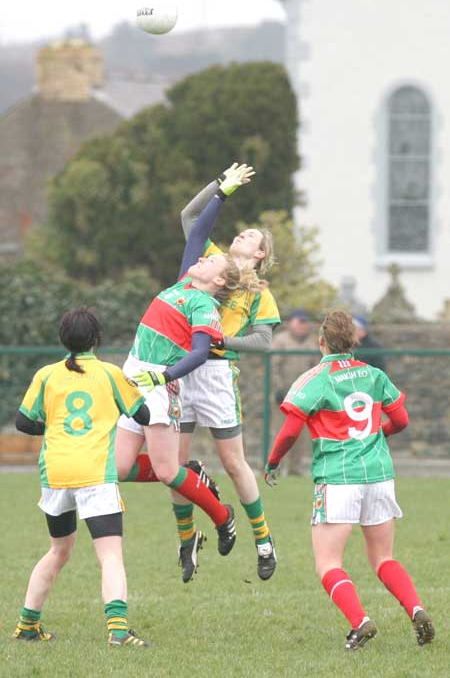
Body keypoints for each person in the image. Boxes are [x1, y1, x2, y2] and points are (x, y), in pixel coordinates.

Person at [264, 309, 434, 650]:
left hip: (338, 477)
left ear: (321, 341)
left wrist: (272, 462)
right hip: (379, 475)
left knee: (328, 563)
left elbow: (289, 431)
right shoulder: (373, 374)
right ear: (354, 340)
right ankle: (416, 609)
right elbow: (401, 420)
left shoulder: (314, 378)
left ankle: (360, 622)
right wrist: (375, 436)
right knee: (384, 558)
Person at [114, 165, 255, 576]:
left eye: (210, 261)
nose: (201, 258)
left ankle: (222, 516)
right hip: (134, 379)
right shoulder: (184, 284)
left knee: (166, 470)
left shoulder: (204, 304)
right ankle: (194, 477)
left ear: (219, 279)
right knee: (121, 469)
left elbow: (198, 353)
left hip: (158, 385)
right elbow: (196, 232)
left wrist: (165, 376)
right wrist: (222, 192)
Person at [13, 308, 150, 647]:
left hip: (55, 473)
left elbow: (23, 423)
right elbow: (143, 414)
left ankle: (27, 625)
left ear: (64, 340)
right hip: (94, 473)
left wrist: (57, 423)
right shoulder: (109, 374)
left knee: (58, 550)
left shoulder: (47, 374)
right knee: (110, 554)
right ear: (96, 339)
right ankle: (118, 630)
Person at [172, 163, 280, 582]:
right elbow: (188, 216)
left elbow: (263, 342)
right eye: (241, 231)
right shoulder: (210, 260)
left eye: (251, 236)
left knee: (234, 463)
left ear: (260, 255)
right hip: (181, 370)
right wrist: (220, 185)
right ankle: (187, 540)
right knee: (175, 465)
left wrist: (222, 343)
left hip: (216, 374)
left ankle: (264, 538)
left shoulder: (259, 292)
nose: (242, 234)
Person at [271, 308, 317, 475]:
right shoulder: (280, 340)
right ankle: (274, 467)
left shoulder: (312, 342)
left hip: (303, 397)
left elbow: (316, 369)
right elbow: (273, 366)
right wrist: (278, 388)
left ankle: (295, 469)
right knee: (279, 432)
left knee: (301, 435)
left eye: (305, 322)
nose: (302, 326)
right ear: (290, 322)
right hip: (283, 394)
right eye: (299, 321)